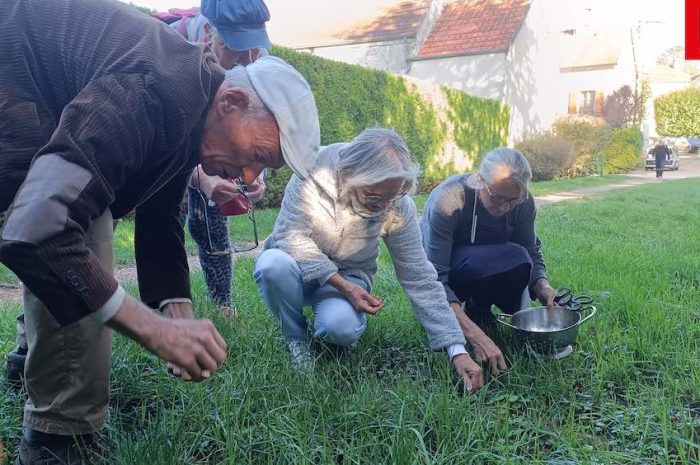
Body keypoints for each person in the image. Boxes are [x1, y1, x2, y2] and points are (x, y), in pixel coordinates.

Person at [0, 0, 320, 463]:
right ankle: (59, 443)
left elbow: (160, 209)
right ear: (232, 102)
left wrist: (177, 314)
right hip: (13, 66)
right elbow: (38, 229)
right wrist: (151, 330)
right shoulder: (156, 89)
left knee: (79, 209)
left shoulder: (196, 106)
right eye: (258, 155)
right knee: (76, 222)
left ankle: (27, 358)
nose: (251, 179)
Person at [254, 128, 483, 389]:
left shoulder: (398, 206)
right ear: (349, 175)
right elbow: (289, 235)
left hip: (351, 274)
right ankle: (296, 338)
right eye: (374, 197)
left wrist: (456, 349)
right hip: (296, 268)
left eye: (392, 196)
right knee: (272, 265)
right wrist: (344, 287)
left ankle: (338, 329)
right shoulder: (310, 174)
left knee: (339, 328)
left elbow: (418, 275)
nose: (384, 206)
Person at [166, 0, 273, 312]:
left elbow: (260, 123)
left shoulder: (256, 58)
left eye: (255, 46)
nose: (249, 59)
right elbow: (167, 146)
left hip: (216, 150)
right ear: (209, 32)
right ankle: (167, 310)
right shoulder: (175, 51)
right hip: (171, 152)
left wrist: (257, 175)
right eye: (237, 47)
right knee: (168, 218)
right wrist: (201, 178)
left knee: (213, 224)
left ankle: (224, 306)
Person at [420, 148, 557, 377]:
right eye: (498, 198)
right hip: (451, 268)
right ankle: (465, 316)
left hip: (485, 263)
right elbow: (434, 279)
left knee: (519, 257)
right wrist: (473, 336)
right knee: (465, 276)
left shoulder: (523, 203)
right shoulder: (449, 200)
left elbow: (530, 250)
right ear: (479, 181)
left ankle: (479, 309)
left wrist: (542, 286)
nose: (505, 207)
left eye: (513, 201)